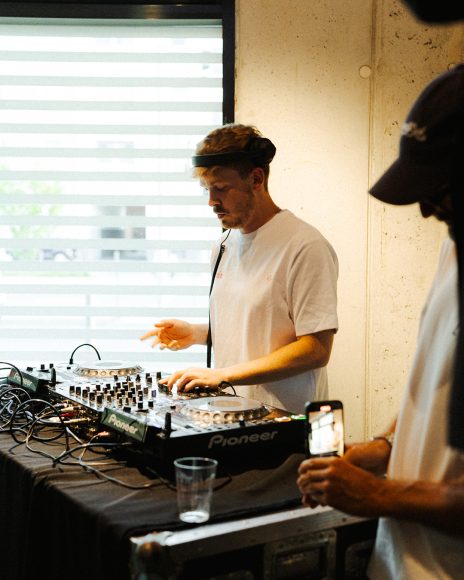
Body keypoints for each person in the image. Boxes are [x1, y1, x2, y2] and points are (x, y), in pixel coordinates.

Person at [297, 64, 464, 578]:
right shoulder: (454, 246)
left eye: (439, 189)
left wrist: (378, 494)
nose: (427, 211)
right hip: (399, 559)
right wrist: (386, 447)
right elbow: (432, 382)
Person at [140, 123, 338, 412]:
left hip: (284, 421)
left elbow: (316, 349)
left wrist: (223, 376)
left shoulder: (305, 246)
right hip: (230, 416)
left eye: (221, 189)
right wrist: (196, 333)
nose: (212, 201)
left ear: (256, 178)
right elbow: (257, 327)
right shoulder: (224, 244)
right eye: (207, 190)